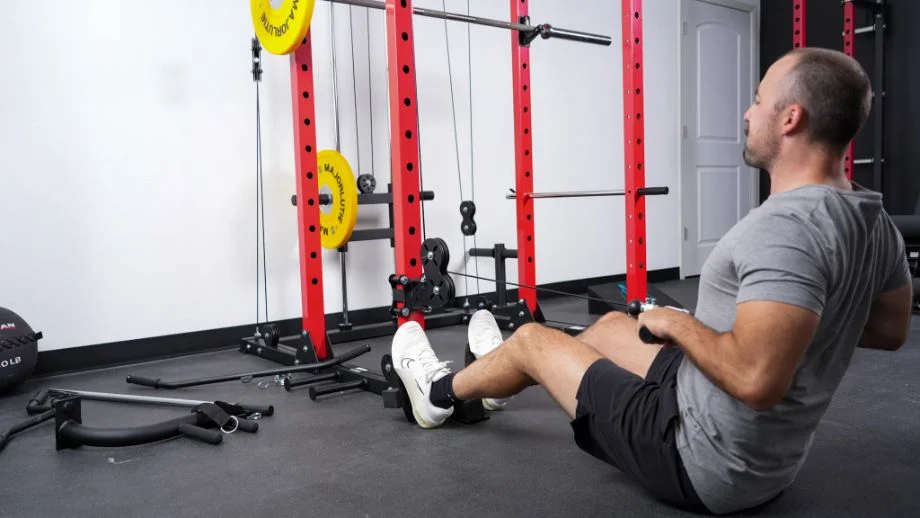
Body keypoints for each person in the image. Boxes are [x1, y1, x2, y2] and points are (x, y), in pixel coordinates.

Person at [389, 47, 913, 515]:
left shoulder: (785, 229)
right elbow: (891, 331)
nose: (748, 113)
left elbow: (757, 381)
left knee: (531, 340)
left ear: (791, 118)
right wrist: (793, 332)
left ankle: (437, 395)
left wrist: (679, 325)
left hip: (701, 460)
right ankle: (490, 383)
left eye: (758, 100)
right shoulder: (872, 220)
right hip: (762, 453)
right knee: (611, 329)